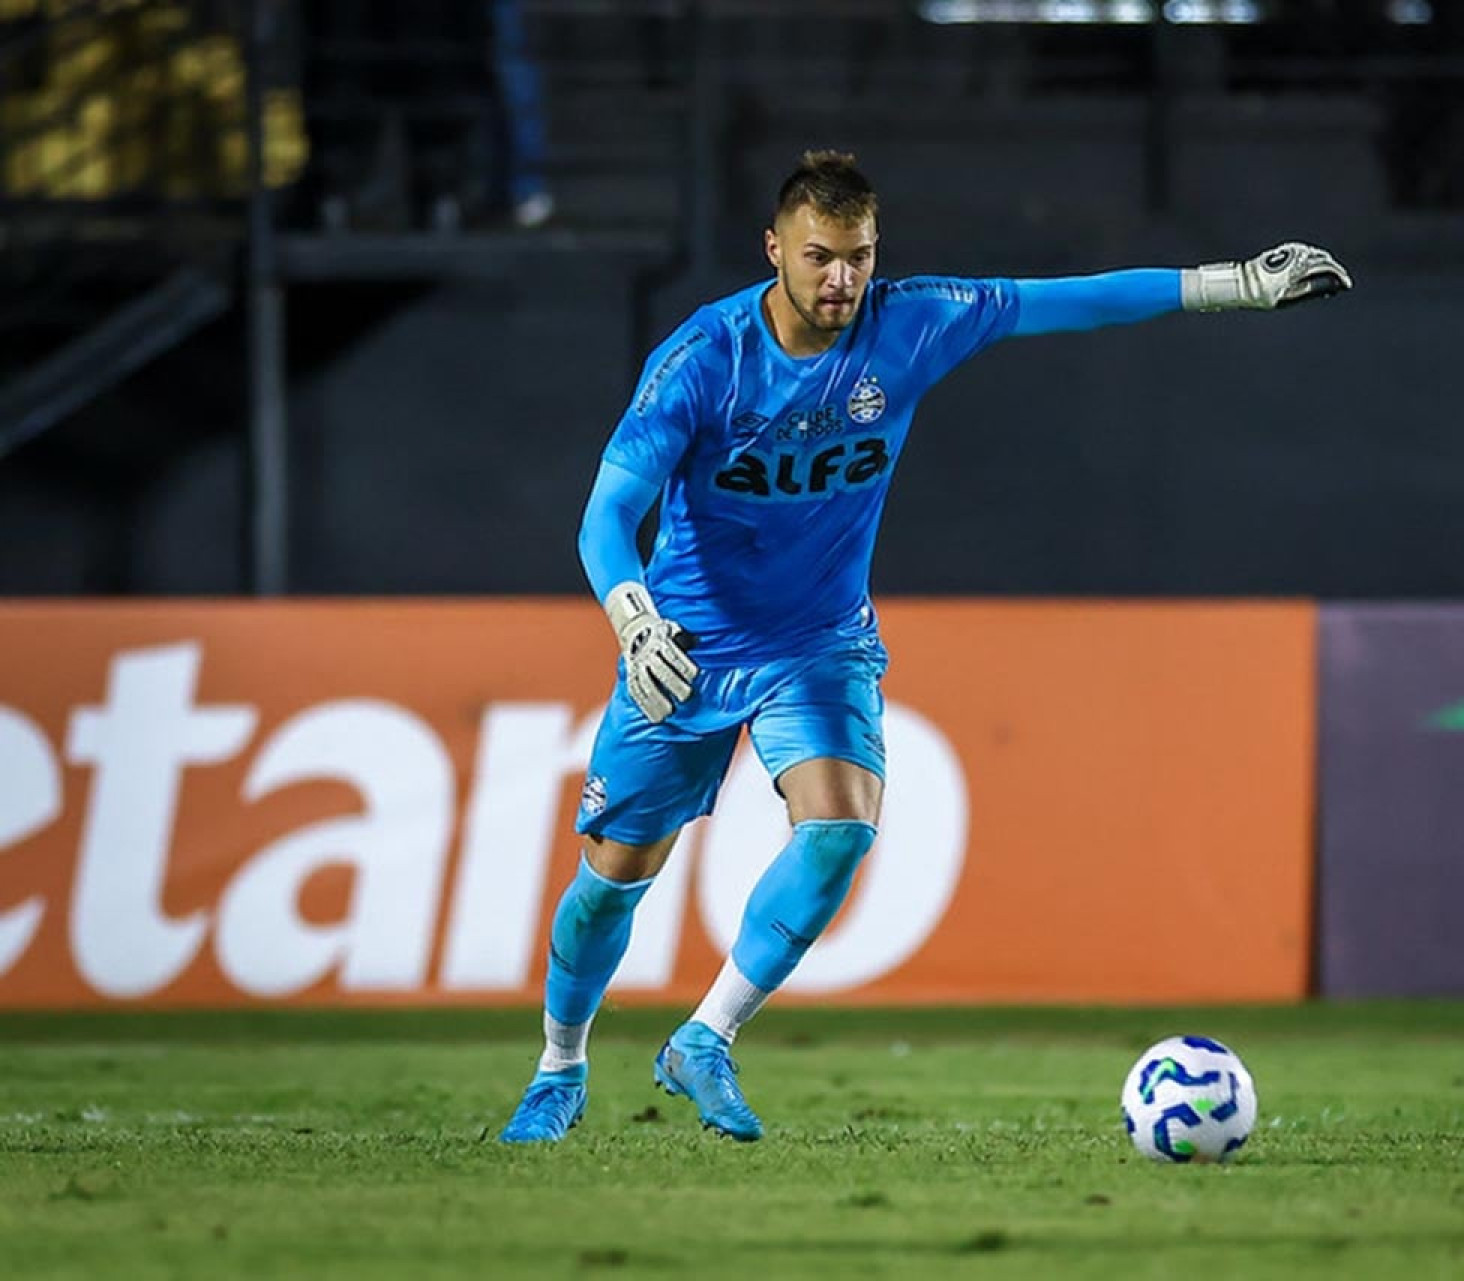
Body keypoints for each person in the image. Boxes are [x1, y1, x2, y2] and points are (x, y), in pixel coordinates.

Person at [499, 150, 1351, 1144]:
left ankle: (705, 1038)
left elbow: (1062, 303)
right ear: (773, 250)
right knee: (611, 879)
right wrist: (633, 618)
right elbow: (606, 518)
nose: (841, 282)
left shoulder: (908, 321)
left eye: (858, 257)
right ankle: (560, 1065)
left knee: (841, 826)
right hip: (683, 645)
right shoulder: (703, 360)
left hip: (817, 643)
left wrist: (1231, 286)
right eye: (819, 257)